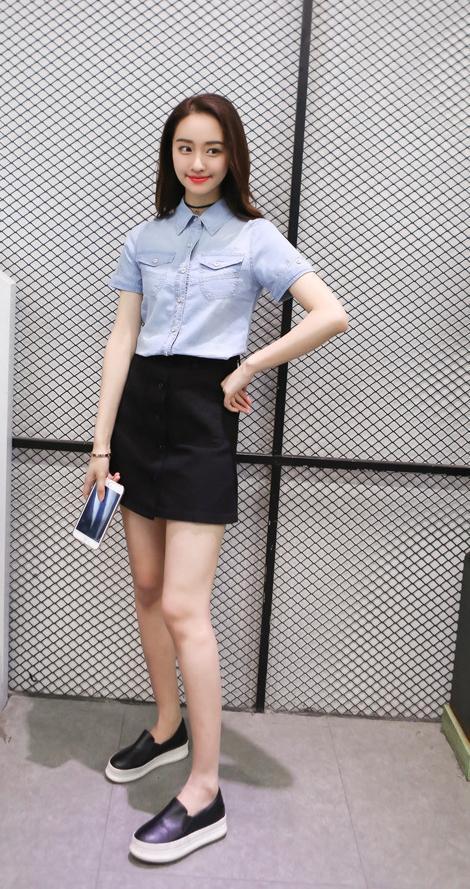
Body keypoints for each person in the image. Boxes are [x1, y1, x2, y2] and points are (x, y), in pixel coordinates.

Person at [83, 93, 348, 864]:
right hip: (138, 418)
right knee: (145, 586)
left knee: (183, 605)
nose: (197, 163)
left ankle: (206, 791)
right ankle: (168, 726)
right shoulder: (144, 237)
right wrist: (100, 444)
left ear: (232, 157)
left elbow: (330, 313)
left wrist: (250, 364)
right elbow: (122, 336)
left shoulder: (255, 236)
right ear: (169, 155)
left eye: (212, 149)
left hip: (202, 423)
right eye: (184, 148)